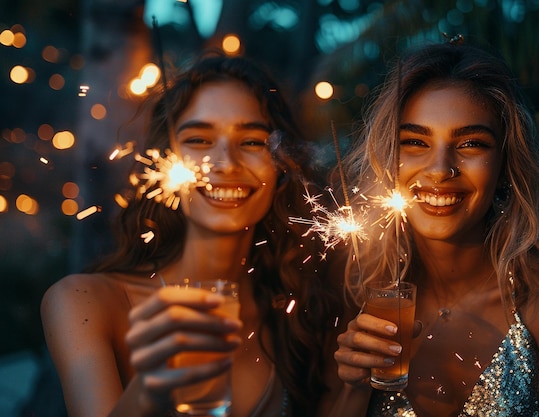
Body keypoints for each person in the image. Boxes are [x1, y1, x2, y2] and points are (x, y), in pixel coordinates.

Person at [41, 52, 343, 417]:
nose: (225, 164)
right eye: (199, 140)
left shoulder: (303, 317)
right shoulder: (84, 302)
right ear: (163, 162)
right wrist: (152, 387)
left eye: (251, 142)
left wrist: (359, 385)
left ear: (281, 165)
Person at [330, 39, 539, 417]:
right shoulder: (359, 290)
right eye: (415, 141)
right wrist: (353, 389)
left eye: (470, 143)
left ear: (505, 167)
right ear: (387, 160)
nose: (439, 169)